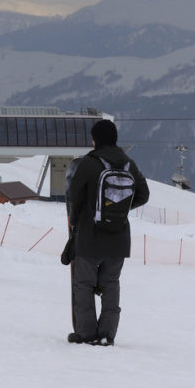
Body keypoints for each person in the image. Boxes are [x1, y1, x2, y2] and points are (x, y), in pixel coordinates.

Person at [65, 119, 150, 346]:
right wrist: (118, 210)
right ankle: (106, 335)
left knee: (84, 284)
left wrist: (76, 223)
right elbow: (143, 195)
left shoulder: (89, 163)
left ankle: (85, 332)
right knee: (111, 283)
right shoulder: (128, 164)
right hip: (119, 238)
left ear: (96, 139)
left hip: (90, 236)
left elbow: (75, 197)